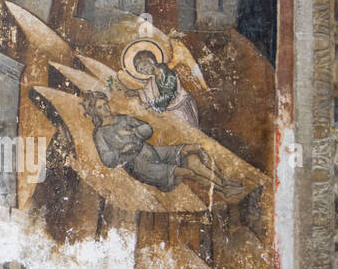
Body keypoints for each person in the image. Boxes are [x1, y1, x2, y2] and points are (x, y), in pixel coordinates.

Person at [81, 91, 242, 200]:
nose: (105, 109)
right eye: (100, 108)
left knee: (196, 148)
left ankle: (225, 180)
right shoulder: (100, 133)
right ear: (95, 112)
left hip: (151, 150)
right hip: (140, 166)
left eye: (105, 104)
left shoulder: (122, 119)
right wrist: (122, 150)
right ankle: (223, 191)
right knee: (188, 171)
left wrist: (133, 133)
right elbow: (107, 159)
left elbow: (147, 129)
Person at [130, 50, 199, 128]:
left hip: (182, 106)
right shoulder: (152, 80)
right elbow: (147, 92)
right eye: (141, 70)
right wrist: (136, 93)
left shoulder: (168, 72)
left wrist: (152, 104)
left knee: (191, 130)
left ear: (151, 60)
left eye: (144, 65)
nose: (144, 70)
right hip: (172, 110)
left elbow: (168, 94)